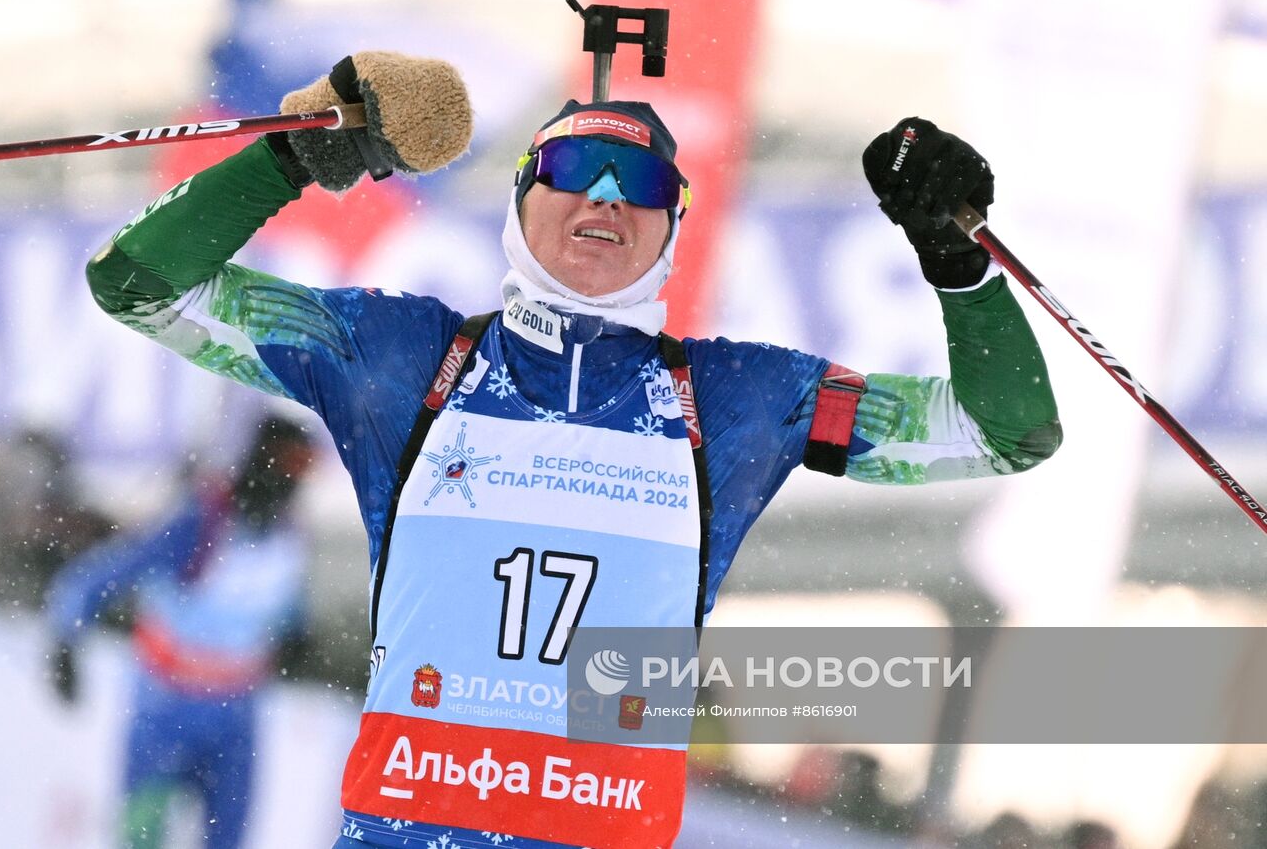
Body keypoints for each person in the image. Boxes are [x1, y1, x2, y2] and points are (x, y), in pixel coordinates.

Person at [83, 51, 1061, 849]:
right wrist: (293, 156)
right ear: (520, 199)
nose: (602, 194)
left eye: (638, 181)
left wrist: (955, 260)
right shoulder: (399, 360)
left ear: (671, 223)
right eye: (568, 170)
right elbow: (138, 284)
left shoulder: (735, 401)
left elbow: (1002, 432)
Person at [44, 414, 316, 849]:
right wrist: (64, 640)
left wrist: (301, 637)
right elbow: (100, 577)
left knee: (228, 841)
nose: (295, 483)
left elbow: (290, 609)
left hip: (236, 717)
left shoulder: (287, 534)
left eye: (305, 470)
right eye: (290, 466)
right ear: (263, 461)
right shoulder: (200, 523)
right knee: (141, 838)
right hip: (166, 710)